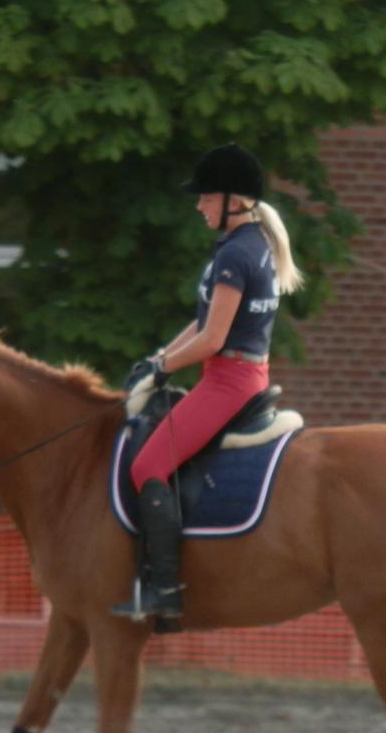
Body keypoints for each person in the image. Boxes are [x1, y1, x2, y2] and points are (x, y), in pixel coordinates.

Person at [112, 142, 304, 621]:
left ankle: (166, 591)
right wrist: (160, 356)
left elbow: (212, 339)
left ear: (233, 201)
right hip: (242, 375)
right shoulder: (249, 244)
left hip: (228, 382)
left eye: (206, 198)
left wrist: (162, 370)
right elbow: (201, 325)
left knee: (148, 467)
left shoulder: (234, 256)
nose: (198, 206)